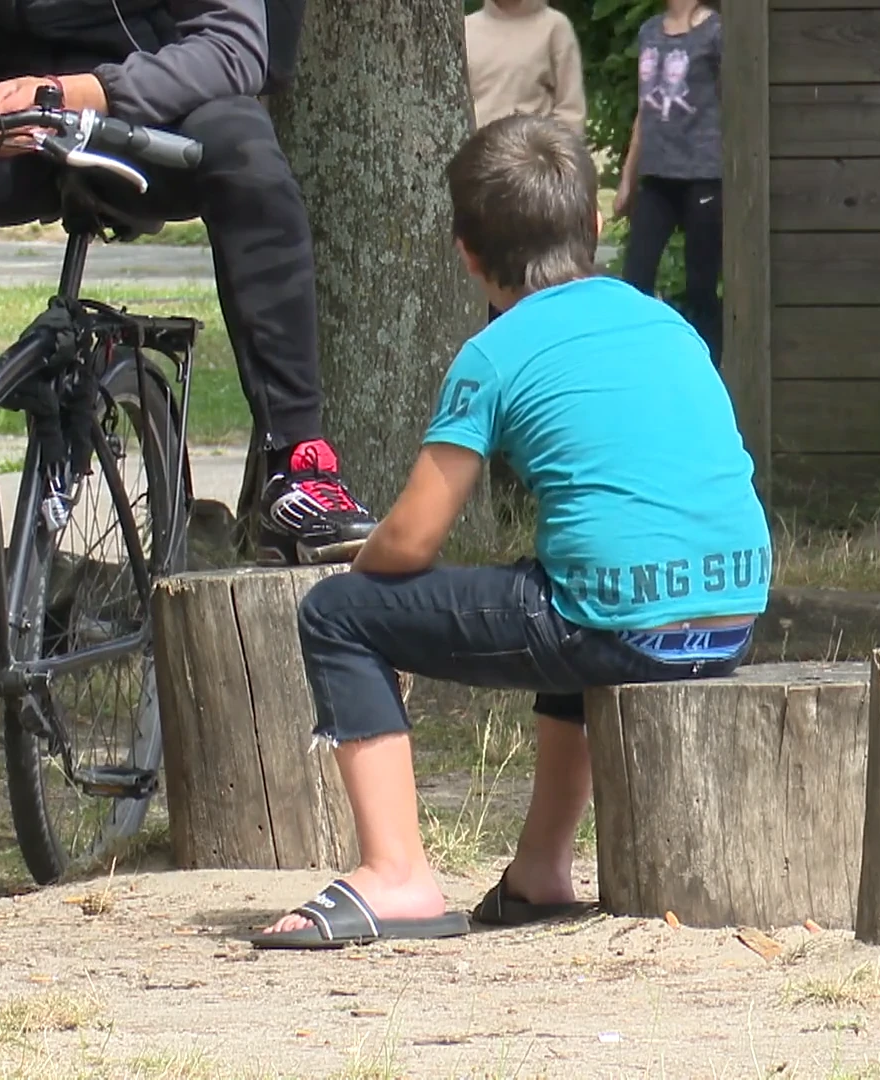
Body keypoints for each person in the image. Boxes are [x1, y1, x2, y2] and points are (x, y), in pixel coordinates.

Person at [252, 114, 770, 948]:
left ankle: (398, 875)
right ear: (595, 225)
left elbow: (415, 539)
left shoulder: (496, 351)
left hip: (615, 624)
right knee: (566, 580)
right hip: (730, 618)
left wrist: (363, 551)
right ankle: (541, 870)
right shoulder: (664, 321)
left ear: (467, 253)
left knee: (337, 616)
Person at [0, 0, 378, 575]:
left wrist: (76, 95)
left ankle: (295, 465)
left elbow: (234, 44)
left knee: (247, 155)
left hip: (144, 101)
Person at [613, 0, 721, 367]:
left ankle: (707, 370)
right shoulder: (650, 32)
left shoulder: (715, 32)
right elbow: (645, 110)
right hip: (657, 177)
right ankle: (636, 365)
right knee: (634, 281)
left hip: (703, 175)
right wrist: (628, 178)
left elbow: (734, 101)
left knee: (700, 287)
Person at [464, 0, 587, 135]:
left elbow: (571, 112)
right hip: (473, 150)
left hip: (529, 150)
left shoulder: (555, 26)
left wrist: (558, 152)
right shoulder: (465, 28)